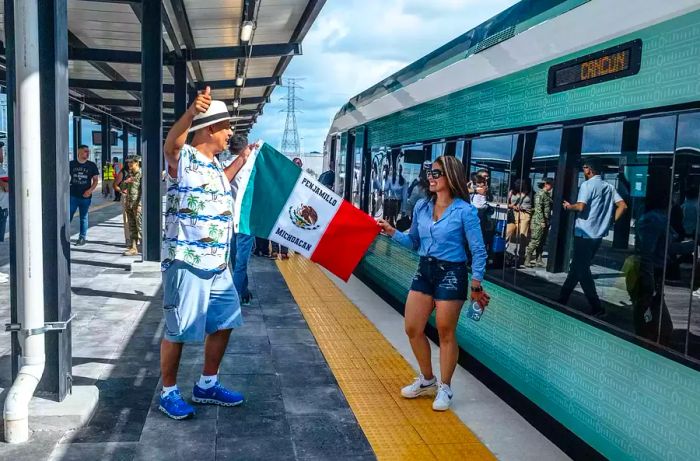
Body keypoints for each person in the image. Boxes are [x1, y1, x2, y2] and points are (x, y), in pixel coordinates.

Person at [160, 87, 250, 420]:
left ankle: (207, 384)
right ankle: (168, 392)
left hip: (217, 263)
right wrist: (190, 113)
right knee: (178, 329)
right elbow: (171, 145)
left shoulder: (213, 165)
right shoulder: (182, 158)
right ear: (210, 127)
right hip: (187, 259)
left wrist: (241, 160)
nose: (231, 134)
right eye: (226, 127)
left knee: (226, 321)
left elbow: (220, 186)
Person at [377, 155, 490, 412]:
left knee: (445, 332)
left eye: (436, 173)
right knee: (412, 327)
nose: (430, 176)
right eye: (430, 172)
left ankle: (446, 387)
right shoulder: (422, 207)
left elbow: (478, 251)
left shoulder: (465, 211)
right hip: (425, 269)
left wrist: (476, 284)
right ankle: (427, 379)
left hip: (452, 272)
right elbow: (413, 242)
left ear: (450, 177)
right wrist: (392, 232)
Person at [558, 159, 627, 316]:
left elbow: (581, 207)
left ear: (589, 170)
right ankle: (563, 297)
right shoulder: (609, 187)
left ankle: (597, 306)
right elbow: (623, 205)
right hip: (598, 236)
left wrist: (569, 206)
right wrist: (610, 221)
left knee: (582, 270)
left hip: (584, 233)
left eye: (584, 168)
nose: (583, 171)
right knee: (576, 268)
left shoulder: (587, 185)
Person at [228, 135, 255, 304]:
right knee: (241, 262)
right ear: (245, 148)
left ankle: (243, 291)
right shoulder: (252, 167)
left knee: (235, 259)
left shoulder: (225, 166)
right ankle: (235, 297)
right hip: (246, 220)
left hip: (229, 220)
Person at [69, 145, 99, 246]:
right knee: (68, 216)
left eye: (88, 152)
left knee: (84, 217)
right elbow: (64, 177)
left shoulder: (92, 165)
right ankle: (63, 235)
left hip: (85, 197)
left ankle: (82, 238)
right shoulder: (71, 164)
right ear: (79, 152)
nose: (88, 153)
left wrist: (90, 191)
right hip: (72, 195)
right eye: (86, 151)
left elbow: (95, 180)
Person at [524, 178, 554, 267]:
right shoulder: (540, 194)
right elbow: (538, 208)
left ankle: (539, 259)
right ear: (546, 184)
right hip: (538, 221)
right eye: (551, 184)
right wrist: (542, 221)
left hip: (546, 220)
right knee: (535, 240)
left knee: (542, 241)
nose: (552, 186)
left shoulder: (547, 195)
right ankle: (527, 260)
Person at [505, 178, 533, 265]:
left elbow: (534, 205)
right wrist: (513, 206)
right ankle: (503, 251)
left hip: (525, 214)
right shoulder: (512, 192)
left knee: (523, 236)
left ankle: (521, 256)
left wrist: (526, 208)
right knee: (508, 232)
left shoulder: (530, 192)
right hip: (514, 215)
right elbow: (507, 204)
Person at [122, 156, 142, 256]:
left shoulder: (141, 174)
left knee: (141, 226)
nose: (129, 164)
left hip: (138, 205)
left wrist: (140, 204)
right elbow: (122, 187)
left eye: (131, 162)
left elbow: (144, 190)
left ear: (137, 163)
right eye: (128, 162)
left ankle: (146, 248)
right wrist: (126, 182)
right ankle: (134, 248)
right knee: (132, 226)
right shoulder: (129, 174)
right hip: (129, 204)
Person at [114, 157, 132, 248]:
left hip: (138, 197)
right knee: (127, 219)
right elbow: (115, 185)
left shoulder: (139, 172)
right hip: (126, 197)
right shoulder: (123, 172)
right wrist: (122, 192)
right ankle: (128, 239)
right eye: (129, 162)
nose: (131, 164)